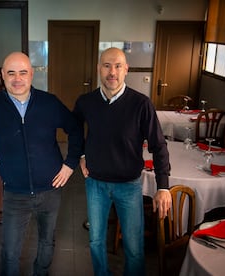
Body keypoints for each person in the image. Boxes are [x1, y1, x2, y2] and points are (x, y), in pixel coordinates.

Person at [0, 52, 83, 276]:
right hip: (15, 194)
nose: (17, 78)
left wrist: (70, 164)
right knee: (9, 252)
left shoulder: (50, 102)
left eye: (23, 72)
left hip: (51, 189)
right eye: (11, 73)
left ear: (31, 74)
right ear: (2, 76)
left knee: (47, 244)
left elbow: (75, 130)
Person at [72, 47, 172, 276]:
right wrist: (81, 155)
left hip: (129, 185)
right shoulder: (86, 102)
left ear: (126, 69)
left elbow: (159, 146)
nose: (112, 72)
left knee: (134, 247)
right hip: (95, 183)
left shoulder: (141, 104)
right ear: (99, 69)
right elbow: (74, 128)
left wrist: (163, 186)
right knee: (96, 241)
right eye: (106, 65)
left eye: (118, 66)